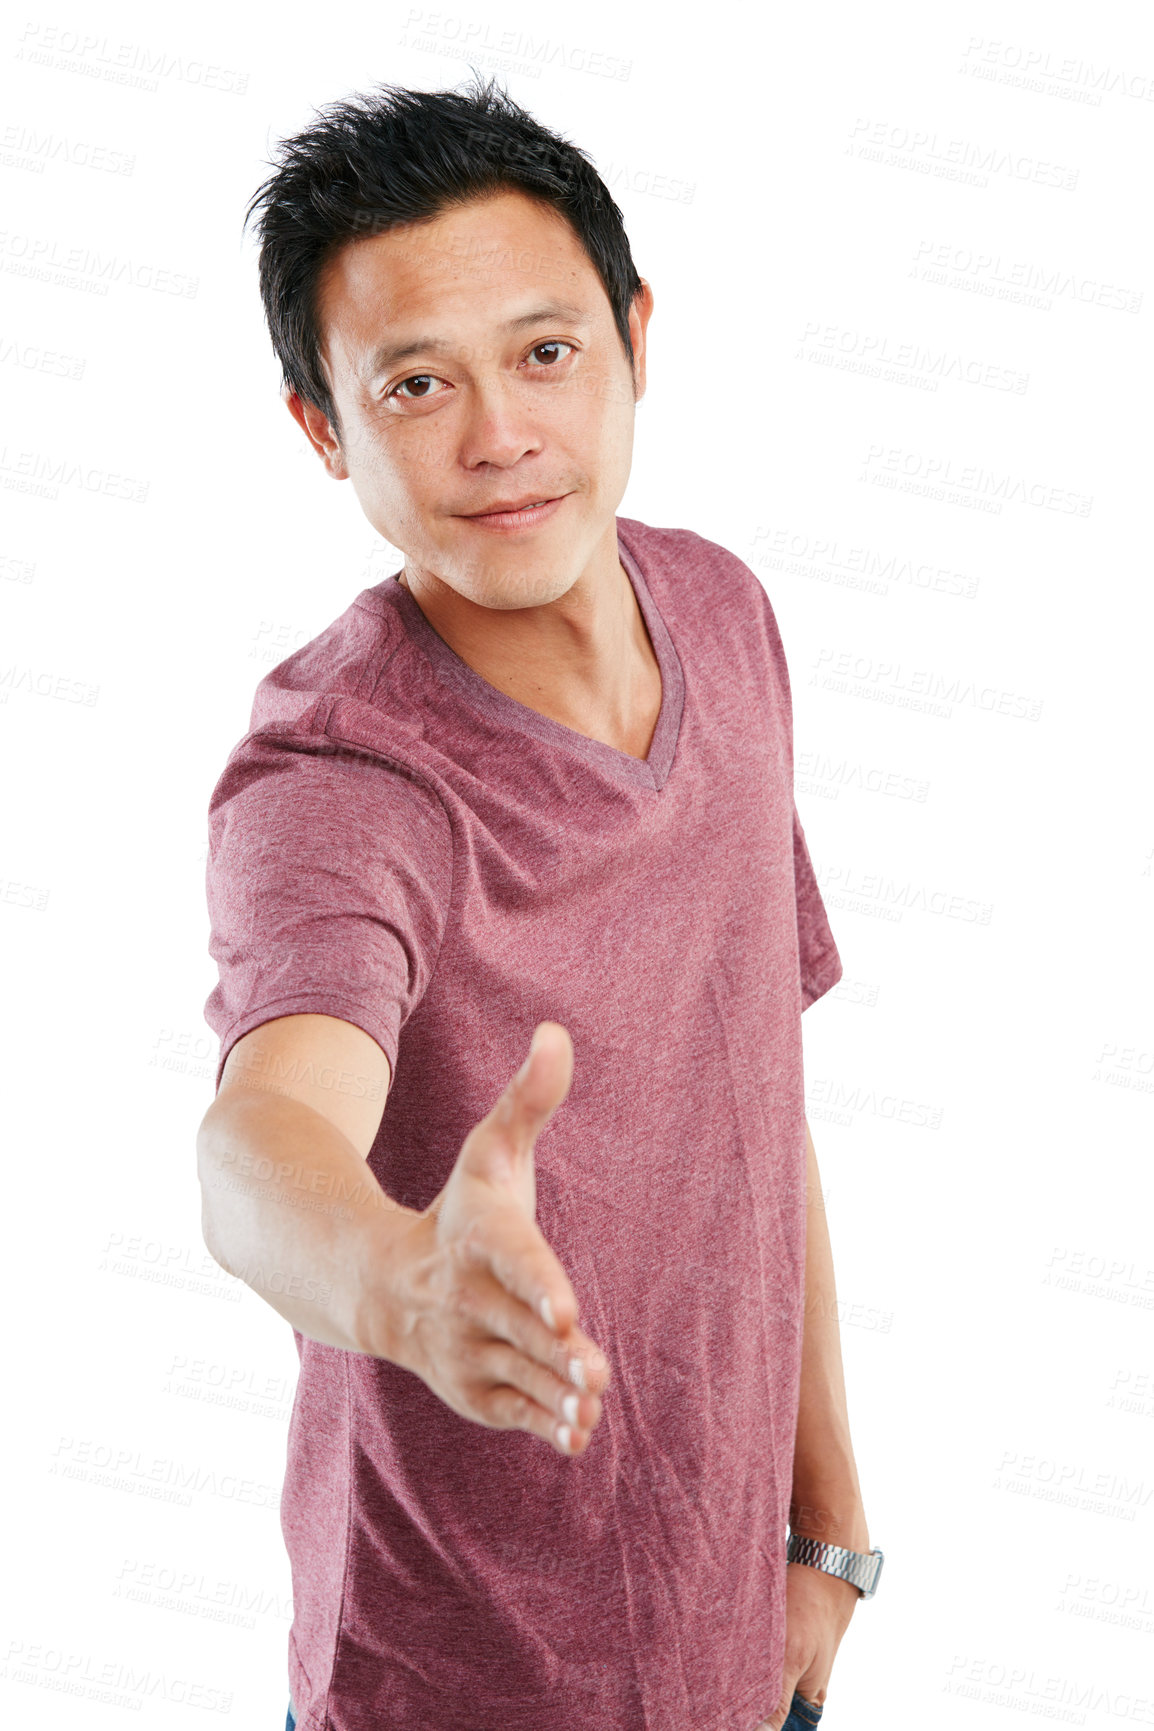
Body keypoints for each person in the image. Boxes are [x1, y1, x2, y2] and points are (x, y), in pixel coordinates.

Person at [197, 75, 880, 1731]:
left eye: (545, 353)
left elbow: (751, 1087)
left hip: (739, 1647)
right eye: (414, 383)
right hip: (450, 1689)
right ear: (321, 426)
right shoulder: (340, 784)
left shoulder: (719, 613)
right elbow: (261, 1142)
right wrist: (393, 1282)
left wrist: (829, 1522)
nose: (498, 434)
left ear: (634, 339)